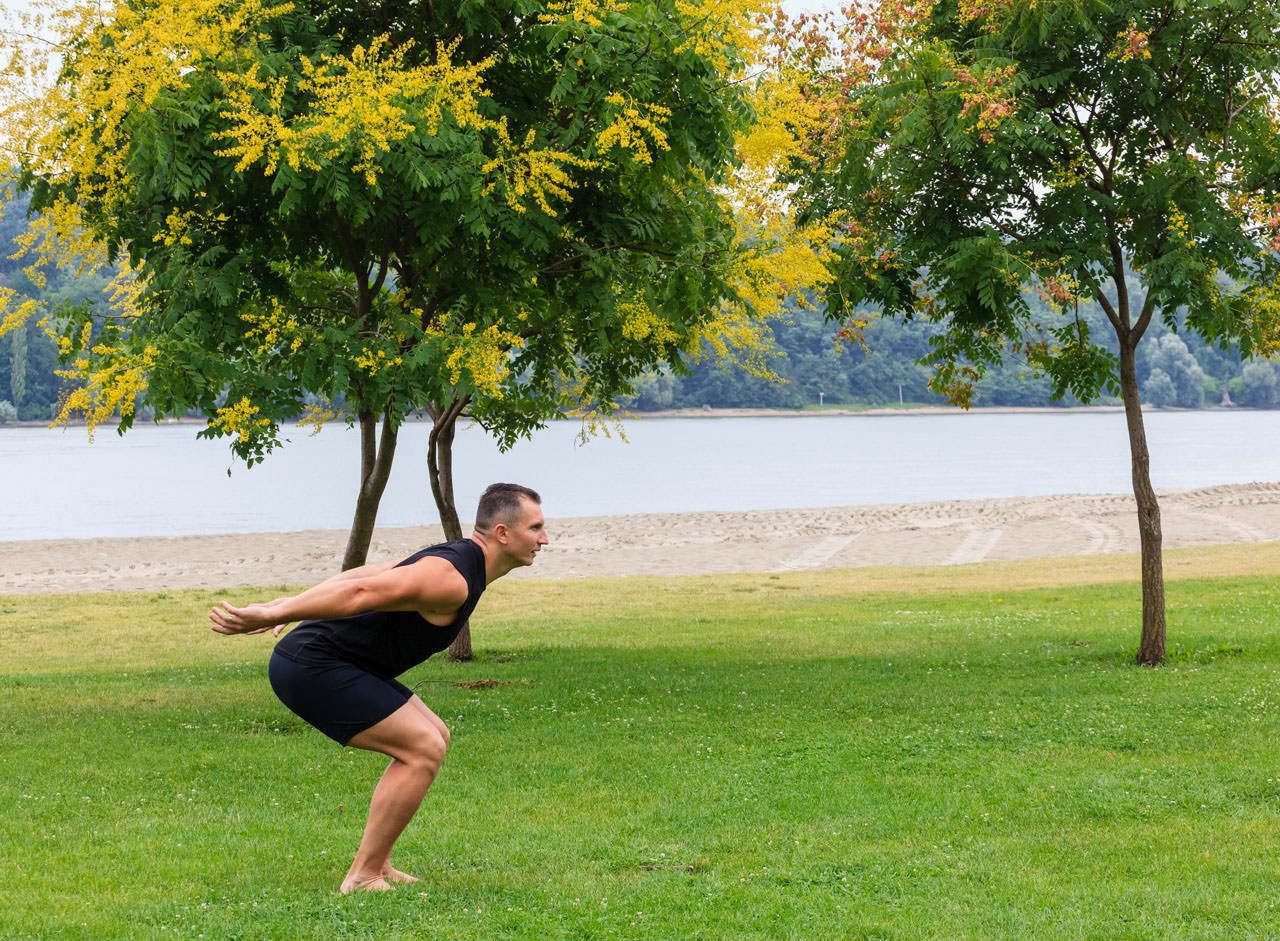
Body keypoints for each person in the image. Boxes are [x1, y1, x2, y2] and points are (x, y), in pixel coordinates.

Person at [209, 482, 548, 894]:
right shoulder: (451, 579)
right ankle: (363, 875)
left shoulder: (460, 561)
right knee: (422, 746)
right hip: (312, 665)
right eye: (536, 528)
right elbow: (361, 591)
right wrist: (278, 609)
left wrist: (293, 602)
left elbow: (365, 573)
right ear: (502, 533)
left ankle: (380, 864)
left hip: (335, 660)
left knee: (434, 736)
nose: (544, 539)